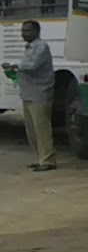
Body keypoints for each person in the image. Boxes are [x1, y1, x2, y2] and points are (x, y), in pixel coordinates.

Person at [1, 20, 56, 171]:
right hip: (28, 94)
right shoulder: (29, 48)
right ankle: (41, 158)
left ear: (37, 32)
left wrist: (14, 66)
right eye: (22, 31)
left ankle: (48, 160)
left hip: (40, 94)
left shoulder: (41, 47)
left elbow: (32, 66)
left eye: (27, 31)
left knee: (42, 129)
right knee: (31, 130)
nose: (23, 34)